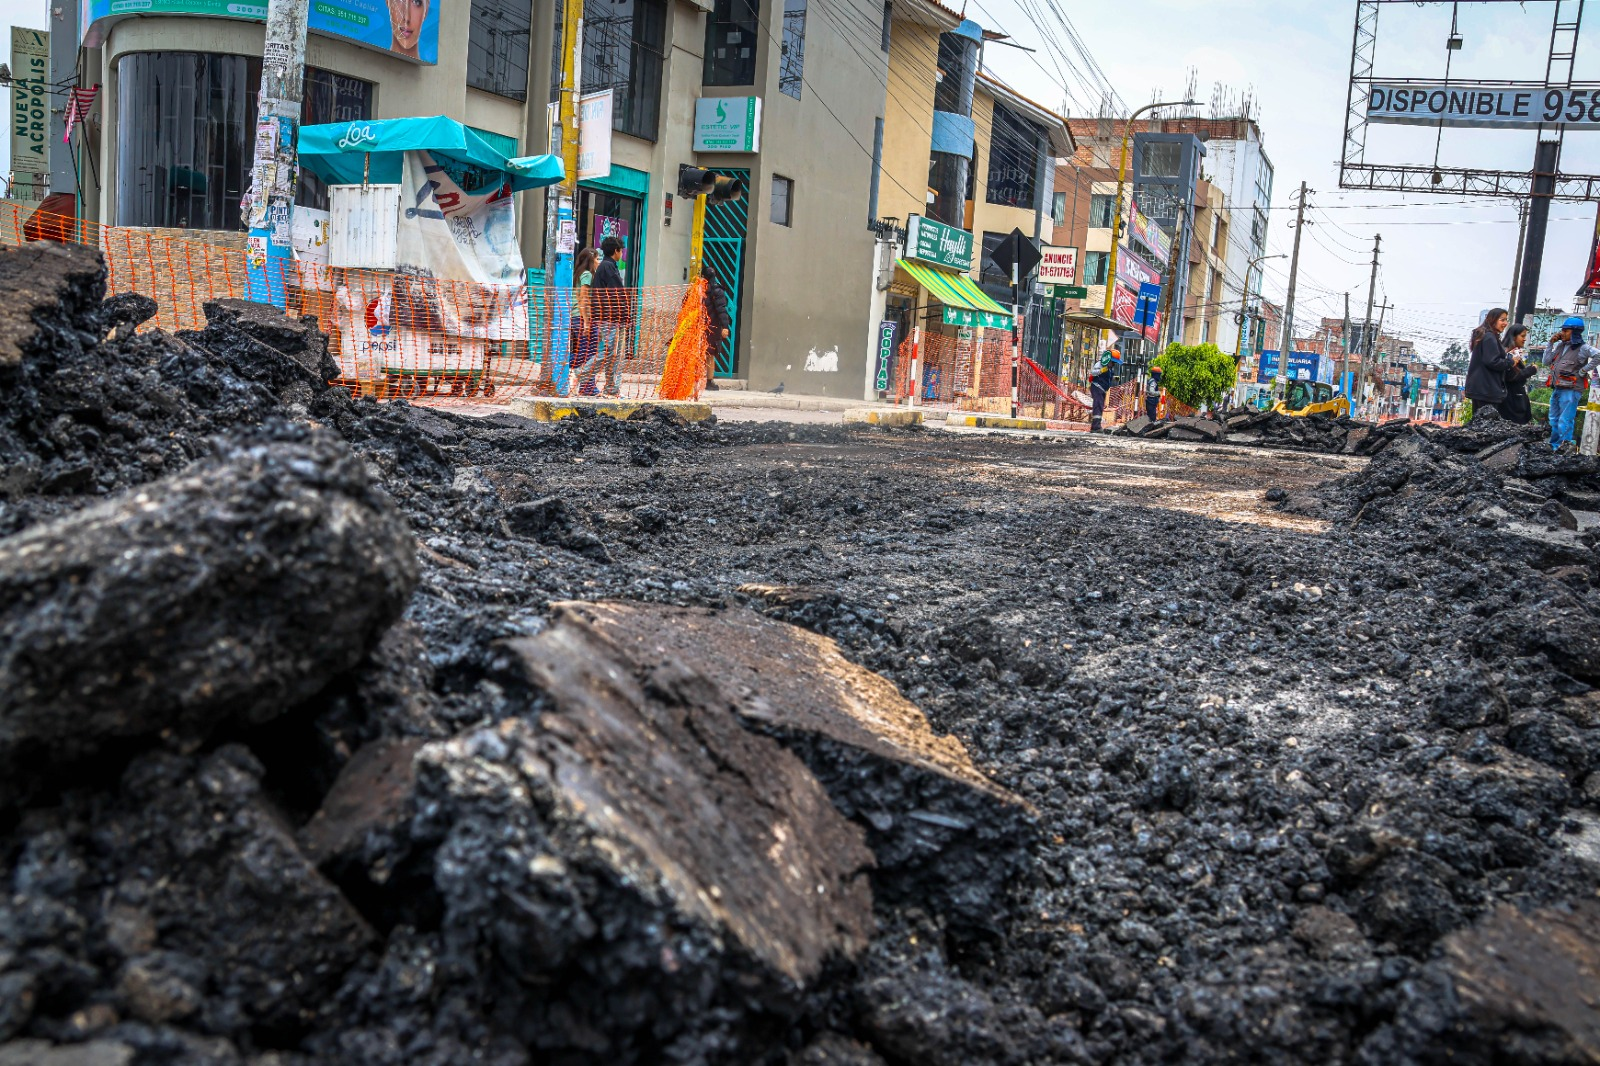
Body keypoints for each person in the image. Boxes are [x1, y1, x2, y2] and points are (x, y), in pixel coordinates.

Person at [1542, 316, 1599, 452]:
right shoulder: (1561, 346)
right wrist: (1550, 343)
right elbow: (1546, 361)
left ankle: (1564, 448)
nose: (1562, 333)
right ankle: (1554, 446)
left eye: (1566, 331)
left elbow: (1598, 355)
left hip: (1571, 389)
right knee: (1554, 419)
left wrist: (1584, 370)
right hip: (1557, 388)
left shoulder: (1583, 348)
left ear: (1575, 332)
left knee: (1565, 420)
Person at [586, 236, 629, 397]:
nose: (622, 253)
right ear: (616, 251)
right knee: (611, 353)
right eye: (621, 250)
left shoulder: (608, 266)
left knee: (615, 355)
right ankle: (583, 371)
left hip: (609, 317)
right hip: (610, 317)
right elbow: (617, 294)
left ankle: (612, 389)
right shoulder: (608, 267)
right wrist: (624, 314)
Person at [1464, 307, 1512, 420]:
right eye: (1502, 320)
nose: (1505, 323)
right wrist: (1510, 361)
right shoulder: (1489, 337)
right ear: (1493, 320)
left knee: (1479, 422)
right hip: (1486, 389)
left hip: (1481, 388)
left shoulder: (1484, 335)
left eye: (1506, 320)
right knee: (1485, 425)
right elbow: (1493, 361)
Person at [569, 247, 600, 394]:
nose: (598, 262)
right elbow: (584, 298)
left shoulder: (577, 274)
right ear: (590, 260)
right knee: (590, 353)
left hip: (575, 317)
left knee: (584, 352)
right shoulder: (587, 275)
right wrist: (587, 322)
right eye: (597, 259)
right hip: (583, 317)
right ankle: (587, 386)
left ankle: (587, 386)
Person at [700, 261, 732, 392]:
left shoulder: (697, 290)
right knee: (710, 354)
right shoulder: (717, 291)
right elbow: (721, 310)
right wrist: (725, 326)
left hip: (698, 326)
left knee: (698, 353)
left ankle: (694, 379)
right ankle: (709, 381)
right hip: (712, 327)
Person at [1500, 324, 1540, 425]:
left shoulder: (1513, 353)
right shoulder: (1509, 354)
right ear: (1514, 337)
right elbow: (1512, 376)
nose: (1524, 339)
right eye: (1522, 336)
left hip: (1515, 399)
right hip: (1512, 401)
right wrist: (1531, 370)